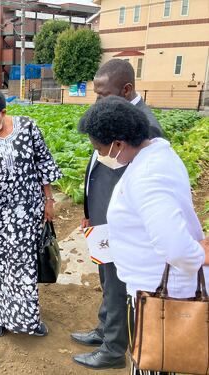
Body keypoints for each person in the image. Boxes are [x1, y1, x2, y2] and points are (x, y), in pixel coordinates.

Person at [78, 95, 208, 375]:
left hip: (162, 295)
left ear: (118, 144)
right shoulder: (156, 154)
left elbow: (176, 248)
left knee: (158, 360)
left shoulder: (147, 176)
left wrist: (199, 254)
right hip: (157, 288)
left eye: (100, 149)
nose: (100, 155)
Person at [71, 59, 163, 370]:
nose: (99, 100)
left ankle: (112, 350)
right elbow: (101, 169)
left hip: (121, 226)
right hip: (103, 220)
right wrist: (89, 212)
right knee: (107, 280)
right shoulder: (117, 114)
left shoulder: (145, 127)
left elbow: (140, 185)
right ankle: (104, 330)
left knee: (118, 284)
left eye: (104, 93)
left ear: (126, 89)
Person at [0, 88, 62, 337]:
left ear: (2, 113)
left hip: (26, 211)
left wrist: (48, 200)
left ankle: (28, 319)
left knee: (23, 263)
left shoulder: (28, 128)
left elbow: (43, 165)